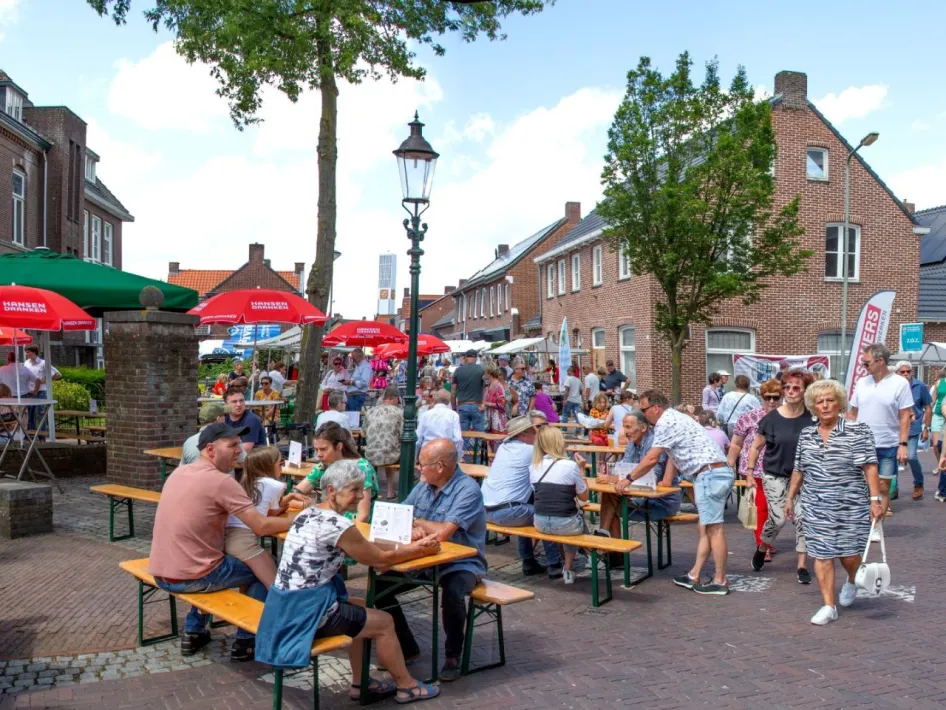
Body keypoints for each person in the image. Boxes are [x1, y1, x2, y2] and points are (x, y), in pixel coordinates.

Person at [256, 459, 442, 704]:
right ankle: (406, 686)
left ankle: (360, 682)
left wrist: (408, 548)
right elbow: (379, 560)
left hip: (284, 607)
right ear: (331, 490)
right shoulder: (337, 524)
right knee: (385, 622)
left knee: (361, 609)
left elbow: (367, 548)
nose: (359, 497)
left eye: (362, 490)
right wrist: (418, 550)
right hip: (306, 612)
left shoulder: (308, 513)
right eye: (353, 491)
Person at [149, 422, 300, 661]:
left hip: (160, 572)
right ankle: (246, 640)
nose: (239, 451)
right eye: (232, 446)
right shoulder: (222, 481)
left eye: (238, 445)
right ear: (211, 449)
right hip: (193, 576)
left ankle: (194, 630)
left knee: (214, 560)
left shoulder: (178, 472)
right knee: (262, 568)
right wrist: (301, 518)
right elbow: (260, 526)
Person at [373, 439, 487, 682]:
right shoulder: (424, 485)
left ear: (440, 466)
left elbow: (444, 533)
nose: (417, 468)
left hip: (462, 563)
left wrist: (418, 522)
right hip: (424, 559)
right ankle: (407, 648)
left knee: (453, 592)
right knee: (380, 587)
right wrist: (413, 525)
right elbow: (398, 515)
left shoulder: (468, 490)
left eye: (421, 464)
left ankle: (453, 655)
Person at [789, 379, 884, 626]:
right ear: (813, 406)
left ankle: (852, 580)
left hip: (851, 505)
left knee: (850, 555)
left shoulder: (858, 430)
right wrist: (790, 497)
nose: (825, 405)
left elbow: (870, 467)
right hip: (816, 504)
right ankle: (829, 606)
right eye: (819, 402)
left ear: (839, 403)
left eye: (830, 400)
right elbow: (799, 469)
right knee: (821, 555)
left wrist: (875, 500)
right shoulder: (807, 434)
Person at [628, 390, 734, 595]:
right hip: (712, 473)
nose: (643, 414)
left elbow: (652, 458)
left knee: (715, 530)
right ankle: (694, 574)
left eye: (644, 409)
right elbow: (672, 456)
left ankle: (721, 581)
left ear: (655, 408)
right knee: (705, 529)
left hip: (709, 474)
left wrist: (628, 479)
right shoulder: (675, 418)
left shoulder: (665, 422)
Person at [746, 369, 814, 583]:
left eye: (796, 388)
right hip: (775, 474)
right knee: (778, 518)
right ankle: (763, 546)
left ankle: (802, 565)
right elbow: (756, 447)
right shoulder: (771, 419)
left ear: (804, 392)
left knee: (803, 518)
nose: (790, 391)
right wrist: (749, 472)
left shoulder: (812, 417)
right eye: (787, 387)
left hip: (804, 477)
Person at [482, 416, 564, 578]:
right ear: (524, 435)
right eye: (534, 431)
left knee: (525, 506)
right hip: (507, 512)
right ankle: (555, 564)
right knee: (546, 516)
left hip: (485, 510)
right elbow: (555, 464)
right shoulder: (530, 451)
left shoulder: (503, 448)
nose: (537, 434)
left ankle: (528, 562)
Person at [848, 343, 912, 537]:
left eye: (866, 363)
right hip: (861, 444)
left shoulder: (900, 384)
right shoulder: (861, 383)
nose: (863, 367)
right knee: (858, 486)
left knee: (883, 487)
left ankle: (876, 526)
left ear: (880, 361)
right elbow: (852, 413)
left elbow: (904, 416)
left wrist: (903, 445)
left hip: (887, 444)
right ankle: (859, 523)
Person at [593, 411, 680, 546]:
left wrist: (612, 478)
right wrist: (614, 477)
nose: (624, 432)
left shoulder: (655, 444)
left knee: (611, 504)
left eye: (628, 427)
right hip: (640, 497)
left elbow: (652, 477)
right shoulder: (631, 445)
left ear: (643, 428)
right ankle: (609, 543)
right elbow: (623, 470)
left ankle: (609, 546)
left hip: (660, 502)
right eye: (624, 427)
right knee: (609, 499)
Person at [224, 446, 297, 589]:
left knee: (249, 580)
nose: (282, 467)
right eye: (280, 463)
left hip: (226, 537)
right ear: (269, 466)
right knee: (275, 586)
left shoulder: (246, 483)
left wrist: (287, 500)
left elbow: (265, 509)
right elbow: (272, 514)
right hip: (244, 540)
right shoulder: (275, 485)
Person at [728, 379, 782, 559]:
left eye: (776, 397)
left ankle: (767, 541)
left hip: (779, 470)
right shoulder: (749, 417)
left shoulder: (788, 418)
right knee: (760, 508)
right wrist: (729, 466)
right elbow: (736, 443)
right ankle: (762, 545)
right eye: (768, 397)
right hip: (754, 470)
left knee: (777, 511)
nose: (772, 401)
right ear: (762, 397)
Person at [530, 426, 589, 585]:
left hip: (540, 522)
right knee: (575, 521)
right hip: (565, 523)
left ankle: (580, 558)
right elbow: (584, 496)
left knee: (565, 518)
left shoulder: (534, 466)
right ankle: (570, 567)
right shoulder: (570, 466)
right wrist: (582, 470)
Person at [292, 423, 378, 523]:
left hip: (353, 528)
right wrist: (308, 504)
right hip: (328, 523)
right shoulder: (322, 467)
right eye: (316, 450)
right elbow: (295, 494)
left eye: (323, 449)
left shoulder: (361, 468)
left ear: (339, 446)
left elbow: (362, 516)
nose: (319, 455)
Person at [894, 361, 932, 501]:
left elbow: (928, 407)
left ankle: (918, 484)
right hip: (895, 428)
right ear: (897, 373)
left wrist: (926, 428)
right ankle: (894, 488)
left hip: (913, 428)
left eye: (908, 371)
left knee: (911, 456)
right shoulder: (893, 386)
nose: (905, 374)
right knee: (893, 459)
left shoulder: (920, 386)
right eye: (902, 372)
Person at [362, 386, 403, 500]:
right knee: (391, 447)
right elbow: (403, 434)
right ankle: (390, 491)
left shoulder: (370, 412)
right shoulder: (399, 412)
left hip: (371, 453)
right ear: (395, 398)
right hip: (391, 455)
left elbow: (364, 431)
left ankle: (372, 491)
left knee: (384, 447)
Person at [451, 349, 486, 457]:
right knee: (480, 435)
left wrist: (453, 408)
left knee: (463, 436)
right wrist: (483, 403)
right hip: (477, 404)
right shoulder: (481, 370)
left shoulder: (458, 371)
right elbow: (486, 389)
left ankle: (464, 460)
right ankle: (479, 461)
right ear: (476, 358)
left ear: (466, 358)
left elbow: (453, 392)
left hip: (462, 405)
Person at [22, 345, 61, 432]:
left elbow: (57, 374)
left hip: (41, 392)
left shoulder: (43, 363)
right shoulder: (26, 363)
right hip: (30, 392)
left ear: (34, 352)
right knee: (30, 414)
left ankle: (42, 436)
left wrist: (46, 381)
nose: (26, 354)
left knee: (40, 414)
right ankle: (30, 435)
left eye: (28, 352)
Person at [417, 389, 464, 460]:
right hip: (446, 454)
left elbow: (418, 439)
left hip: (427, 453)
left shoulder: (425, 415)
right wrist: (457, 458)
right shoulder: (454, 415)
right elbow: (458, 439)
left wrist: (416, 457)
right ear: (448, 401)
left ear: (435, 400)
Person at [224, 388, 267, 452]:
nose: (239, 404)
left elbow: (245, 450)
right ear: (226, 405)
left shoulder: (251, 419)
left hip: (253, 459)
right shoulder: (223, 418)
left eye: (241, 400)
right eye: (234, 401)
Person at [483, 367, 508, 439]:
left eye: (485, 373)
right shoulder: (489, 385)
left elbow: (502, 405)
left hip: (498, 420)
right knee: (489, 441)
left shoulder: (498, 386)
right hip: (489, 418)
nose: (484, 374)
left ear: (489, 374)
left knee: (497, 441)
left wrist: (487, 403)